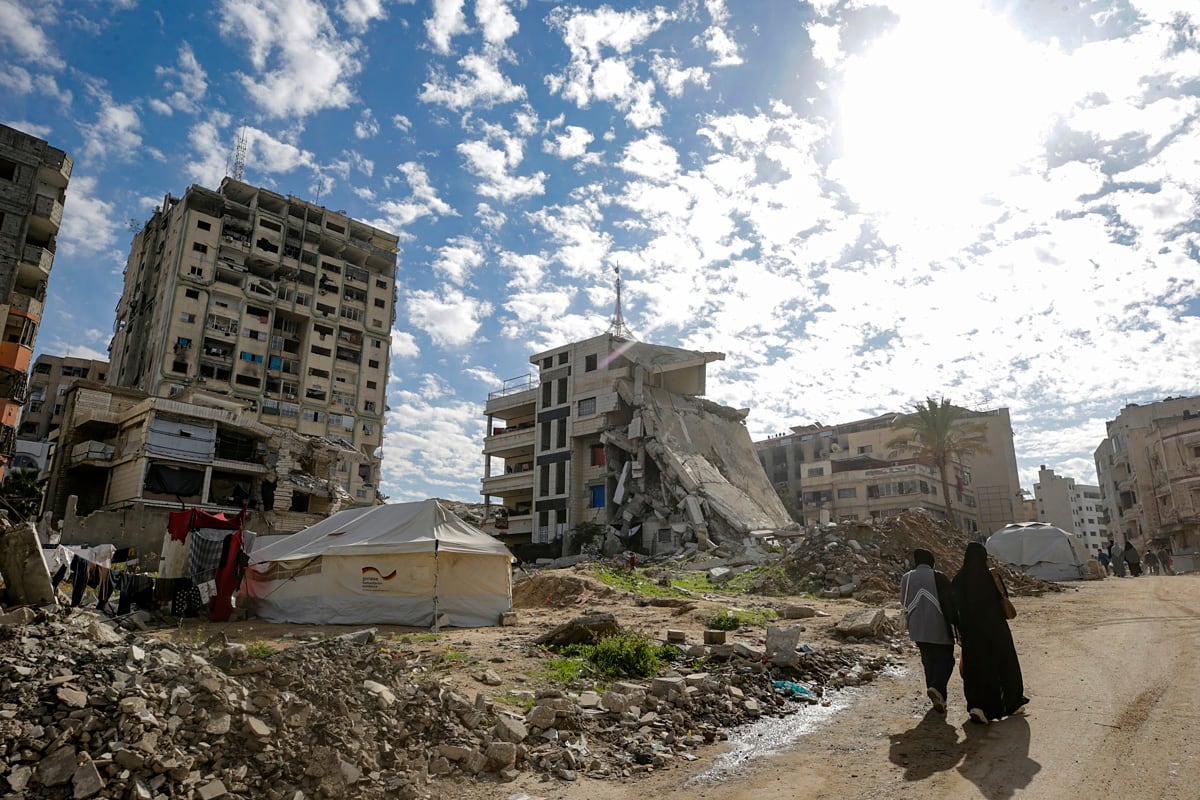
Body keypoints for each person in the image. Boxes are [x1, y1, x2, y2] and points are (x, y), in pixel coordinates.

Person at [951, 542, 1028, 724]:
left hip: (971, 632)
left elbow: (954, 609)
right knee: (1004, 665)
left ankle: (977, 706)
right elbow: (1004, 597)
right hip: (996, 629)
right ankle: (1011, 703)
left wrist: (960, 630)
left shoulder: (958, 580)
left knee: (975, 668)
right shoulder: (991, 576)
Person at [899, 548, 958, 713]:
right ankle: (937, 688)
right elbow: (951, 603)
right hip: (939, 626)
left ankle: (938, 697)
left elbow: (903, 601)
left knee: (928, 661)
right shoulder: (939, 576)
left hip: (917, 627)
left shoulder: (906, 577)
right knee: (946, 660)